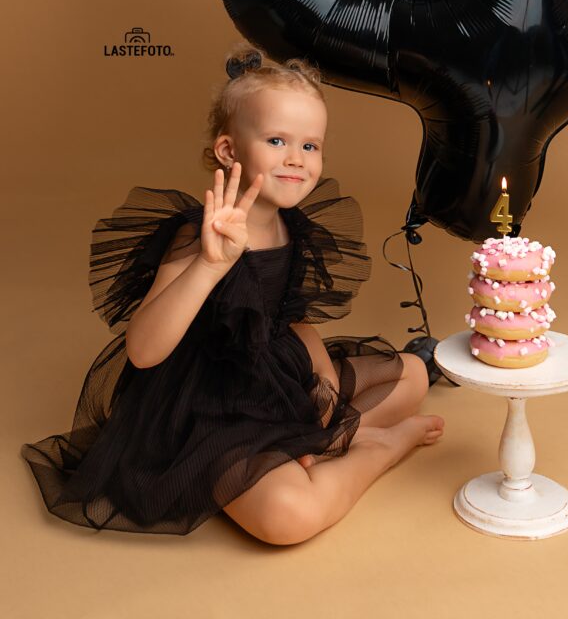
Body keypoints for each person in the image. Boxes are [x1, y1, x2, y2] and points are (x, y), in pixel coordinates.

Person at [21, 42, 445, 543]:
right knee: (289, 519)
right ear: (228, 150)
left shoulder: (294, 225)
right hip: (209, 405)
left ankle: (309, 445)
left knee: (414, 374)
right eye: (276, 141)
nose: (297, 159)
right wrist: (208, 265)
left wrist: (325, 381)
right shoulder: (200, 235)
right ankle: (382, 447)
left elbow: (292, 317)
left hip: (274, 377)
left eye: (310, 146)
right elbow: (143, 350)